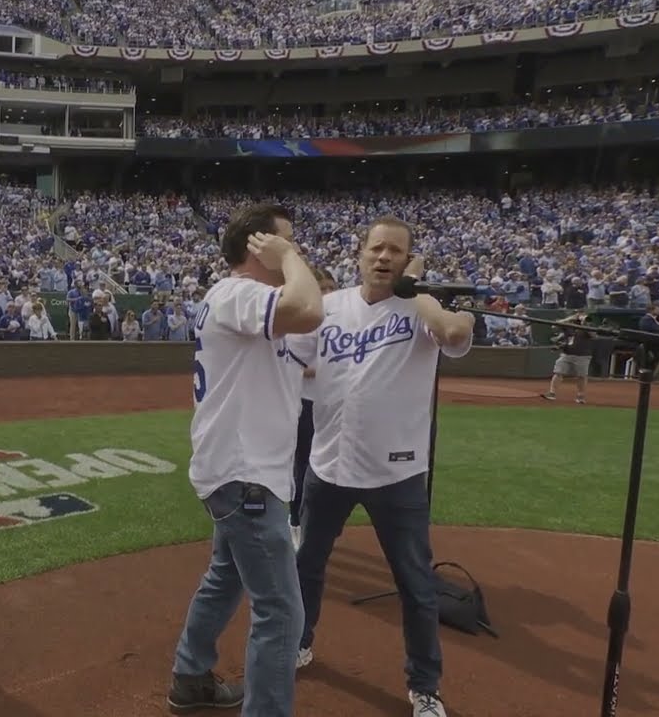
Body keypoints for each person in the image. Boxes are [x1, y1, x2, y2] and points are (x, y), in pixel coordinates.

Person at [291, 216, 474, 717]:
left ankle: (425, 689)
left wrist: (418, 290)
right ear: (360, 254)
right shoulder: (330, 307)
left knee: (415, 584)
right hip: (327, 464)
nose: (384, 257)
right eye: (376, 248)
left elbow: (456, 333)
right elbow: (297, 362)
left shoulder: (421, 310)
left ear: (409, 259)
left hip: (396, 473)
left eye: (396, 251)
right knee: (307, 564)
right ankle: (299, 642)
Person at [165, 203, 324, 717]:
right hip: (244, 476)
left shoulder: (253, 307)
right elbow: (307, 309)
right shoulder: (237, 292)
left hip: (244, 475)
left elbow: (311, 349)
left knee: (224, 577)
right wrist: (292, 258)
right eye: (284, 240)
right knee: (281, 612)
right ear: (259, 245)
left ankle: (189, 678)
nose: (292, 248)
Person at [289, 267, 338, 550]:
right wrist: (327, 369)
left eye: (331, 287)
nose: (328, 294)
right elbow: (293, 366)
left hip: (332, 403)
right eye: (322, 288)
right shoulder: (303, 321)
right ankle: (295, 520)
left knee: (329, 466)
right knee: (304, 466)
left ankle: (317, 522)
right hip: (305, 403)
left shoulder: (340, 320)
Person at [542, 311, 593, 403]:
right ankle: (552, 393)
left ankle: (580, 396)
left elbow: (593, 335)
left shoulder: (588, 326)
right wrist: (570, 318)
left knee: (582, 376)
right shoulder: (569, 325)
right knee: (558, 372)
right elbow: (554, 325)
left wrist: (584, 323)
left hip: (583, 355)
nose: (580, 317)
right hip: (567, 353)